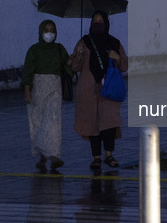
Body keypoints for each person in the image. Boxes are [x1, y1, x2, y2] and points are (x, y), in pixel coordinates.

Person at [70, 10, 128, 170]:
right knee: (92, 123)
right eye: (94, 21)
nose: (97, 23)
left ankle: (109, 155)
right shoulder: (84, 42)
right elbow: (75, 66)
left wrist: (116, 57)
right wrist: (79, 56)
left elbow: (124, 65)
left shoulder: (114, 42)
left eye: (100, 21)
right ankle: (96, 157)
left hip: (109, 88)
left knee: (109, 121)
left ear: (106, 24)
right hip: (89, 89)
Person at [20, 19, 72, 171]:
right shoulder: (34, 50)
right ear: (41, 32)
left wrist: (75, 57)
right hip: (38, 88)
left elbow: (67, 66)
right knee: (38, 122)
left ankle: (55, 156)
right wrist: (27, 90)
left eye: (52, 30)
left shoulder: (59, 49)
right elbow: (28, 70)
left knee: (53, 120)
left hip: (54, 87)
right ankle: (43, 156)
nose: (49, 33)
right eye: (46, 30)